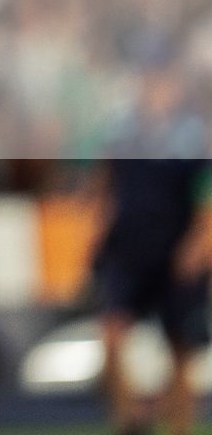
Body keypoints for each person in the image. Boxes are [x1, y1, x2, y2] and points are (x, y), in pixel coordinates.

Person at [89, 67, 212, 435]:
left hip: (175, 256)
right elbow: (105, 187)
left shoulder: (193, 138)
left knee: (180, 348)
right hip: (128, 253)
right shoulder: (123, 135)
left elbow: (206, 200)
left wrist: (198, 246)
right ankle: (131, 424)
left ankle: (180, 428)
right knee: (111, 336)